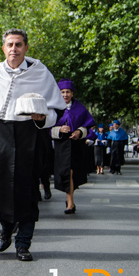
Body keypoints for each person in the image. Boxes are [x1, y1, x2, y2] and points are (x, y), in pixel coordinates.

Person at [0, 29, 66, 262]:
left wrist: (42, 118)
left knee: (27, 193)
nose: (14, 49)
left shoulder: (41, 73)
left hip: (29, 139)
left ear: (26, 48)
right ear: (3, 48)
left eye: (19, 45)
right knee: (0, 189)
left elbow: (59, 111)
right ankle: (5, 229)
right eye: (10, 45)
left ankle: (23, 243)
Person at [50, 79, 95, 214]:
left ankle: (70, 199)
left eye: (67, 92)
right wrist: (59, 129)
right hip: (62, 145)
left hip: (76, 145)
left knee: (74, 172)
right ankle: (70, 203)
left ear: (72, 93)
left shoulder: (80, 108)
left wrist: (79, 132)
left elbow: (88, 125)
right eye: (62, 92)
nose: (65, 95)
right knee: (66, 171)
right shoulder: (54, 109)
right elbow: (46, 127)